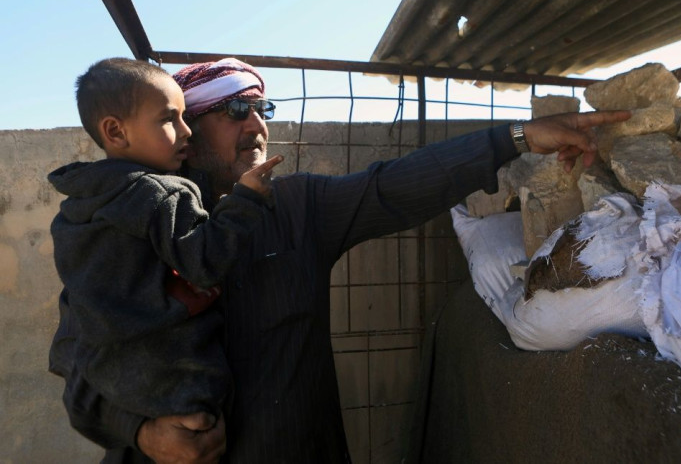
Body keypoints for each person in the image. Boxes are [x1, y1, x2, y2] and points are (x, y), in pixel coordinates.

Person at [49, 57, 631, 463]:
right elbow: (79, 367)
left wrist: (517, 138)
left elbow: (393, 185)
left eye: (262, 107)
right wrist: (143, 433)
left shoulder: (296, 207)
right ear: (185, 131)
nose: (256, 125)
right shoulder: (123, 227)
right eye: (232, 110)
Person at [48, 58, 282, 433]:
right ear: (116, 131)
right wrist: (246, 203)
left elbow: (71, 353)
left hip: (113, 378)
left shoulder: (80, 202)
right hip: (179, 389)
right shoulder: (162, 193)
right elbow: (205, 262)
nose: (186, 132)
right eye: (171, 120)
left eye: (262, 109)